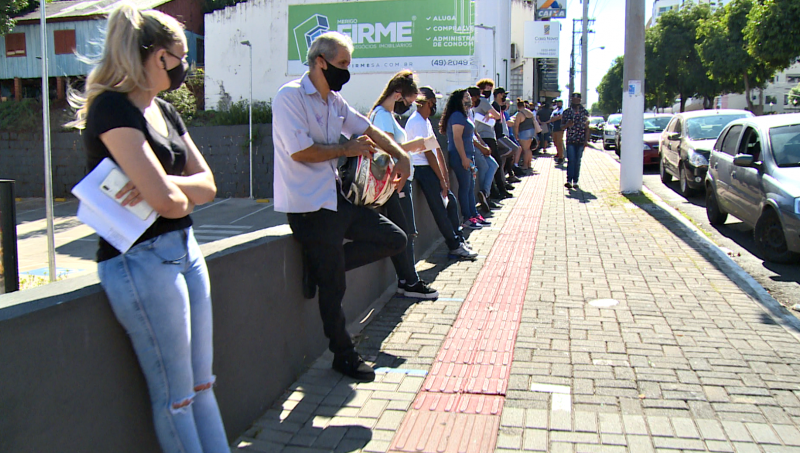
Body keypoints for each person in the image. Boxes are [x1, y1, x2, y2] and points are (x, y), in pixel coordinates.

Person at [69, 4, 228, 452]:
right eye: (179, 56)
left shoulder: (165, 112)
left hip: (185, 250)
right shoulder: (112, 109)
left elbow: (208, 186)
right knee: (176, 399)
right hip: (140, 262)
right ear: (155, 56)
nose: (184, 67)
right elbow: (171, 203)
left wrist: (162, 184)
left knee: (202, 387)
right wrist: (168, 191)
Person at [272, 31, 412, 381]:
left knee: (395, 239)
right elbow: (301, 151)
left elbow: (367, 129)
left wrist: (401, 155)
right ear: (320, 61)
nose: (347, 71)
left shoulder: (335, 102)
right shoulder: (289, 97)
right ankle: (343, 356)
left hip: (337, 200)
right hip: (308, 206)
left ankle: (321, 269)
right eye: (343, 64)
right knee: (334, 288)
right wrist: (344, 150)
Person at [368, 71, 439, 299]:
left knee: (406, 232)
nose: (409, 107)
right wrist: (415, 145)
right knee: (406, 233)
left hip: (399, 181)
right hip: (394, 183)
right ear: (398, 94)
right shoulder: (381, 116)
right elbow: (387, 149)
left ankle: (407, 279)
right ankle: (410, 281)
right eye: (408, 102)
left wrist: (410, 147)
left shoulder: (387, 115)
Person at [406, 86, 477, 260]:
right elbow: (428, 154)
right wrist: (442, 180)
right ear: (427, 102)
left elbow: (436, 148)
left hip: (431, 169)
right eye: (433, 102)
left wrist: (445, 178)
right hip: (422, 169)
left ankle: (458, 239)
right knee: (440, 208)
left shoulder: (425, 121)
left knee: (450, 203)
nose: (434, 106)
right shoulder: (416, 122)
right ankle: (454, 246)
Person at [442, 89, 485, 230]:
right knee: (465, 186)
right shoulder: (457, 116)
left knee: (471, 186)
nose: (469, 98)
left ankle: (473, 213)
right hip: (460, 155)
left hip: (468, 154)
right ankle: (467, 217)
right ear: (459, 99)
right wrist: (464, 158)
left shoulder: (465, 114)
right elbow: (457, 138)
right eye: (466, 96)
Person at [467, 86, 502, 212]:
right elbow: (468, 135)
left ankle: (484, 193)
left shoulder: (471, 111)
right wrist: (482, 147)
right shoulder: (463, 112)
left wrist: (484, 145)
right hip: (472, 146)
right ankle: (485, 197)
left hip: (480, 140)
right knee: (484, 167)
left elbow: (475, 131)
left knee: (494, 165)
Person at [475, 79, 512, 199]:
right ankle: (496, 191)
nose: (488, 92)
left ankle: (492, 191)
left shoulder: (475, 103)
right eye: (487, 90)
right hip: (487, 136)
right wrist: (491, 114)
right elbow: (497, 116)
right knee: (495, 164)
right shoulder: (484, 101)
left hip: (480, 135)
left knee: (489, 165)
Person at [491, 87, 521, 183]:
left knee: (505, 159)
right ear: (499, 95)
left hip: (502, 134)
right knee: (513, 149)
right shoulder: (494, 105)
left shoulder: (500, 107)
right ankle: (496, 156)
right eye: (504, 95)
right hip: (498, 136)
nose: (505, 98)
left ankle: (503, 182)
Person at [562, 92, 591, 189]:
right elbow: (561, 127)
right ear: (571, 100)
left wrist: (586, 141)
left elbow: (587, 127)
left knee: (578, 161)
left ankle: (575, 181)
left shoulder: (585, 112)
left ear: (580, 100)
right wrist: (567, 125)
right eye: (574, 99)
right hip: (570, 140)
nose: (576, 101)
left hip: (581, 140)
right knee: (571, 160)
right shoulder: (567, 112)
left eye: (577, 99)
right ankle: (569, 180)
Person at [513, 98, 538, 172]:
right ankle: (529, 164)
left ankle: (525, 165)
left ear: (518, 106)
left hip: (524, 132)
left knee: (525, 149)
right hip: (531, 131)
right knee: (528, 149)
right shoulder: (529, 112)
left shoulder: (519, 114)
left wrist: (516, 134)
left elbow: (516, 125)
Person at [550, 99, 565, 164]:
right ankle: (558, 152)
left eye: (560, 103)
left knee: (559, 142)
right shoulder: (554, 111)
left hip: (560, 128)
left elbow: (561, 117)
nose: (558, 104)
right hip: (554, 128)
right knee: (555, 142)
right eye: (557, 103)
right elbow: (551, 119)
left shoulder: (563, 111)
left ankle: (561, 157)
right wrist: (557, 118)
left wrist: (556, 118)